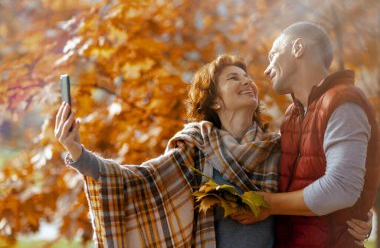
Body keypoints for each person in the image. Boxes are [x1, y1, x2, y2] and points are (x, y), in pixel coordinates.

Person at [55, 54, 371, 247]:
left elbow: (323, 187)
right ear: (215, 101)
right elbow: (133, 181)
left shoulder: (280, 146)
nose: (248, 81)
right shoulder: (194, 147)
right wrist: (77, 151)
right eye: (234, 78)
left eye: (248, 77)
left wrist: (356, 217)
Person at [233, 22, 379, 248]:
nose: (266, 69)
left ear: (298, 48)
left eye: (274, 55)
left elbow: (342, 188)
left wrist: (269, 204)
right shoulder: (292, 115)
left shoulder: (344, 102)